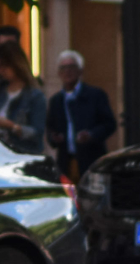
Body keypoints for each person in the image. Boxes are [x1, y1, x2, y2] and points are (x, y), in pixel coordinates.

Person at [47, 50, 118, 179]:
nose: (67, 71)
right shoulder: (56, 101)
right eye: (63, 68)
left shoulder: (95, 95)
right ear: (59, 73)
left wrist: (91, 135)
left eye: (72, 67)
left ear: (80, 70)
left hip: (92, 160)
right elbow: (50, 129)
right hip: (65, 162)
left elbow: (109, 124)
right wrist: (54, 138)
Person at [0, 44, 47, 154]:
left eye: (4, 66)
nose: (1, 70)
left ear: (16, 64)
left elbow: (37, 134)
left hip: (21, 153)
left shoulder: (35, 96)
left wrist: (12, 126)